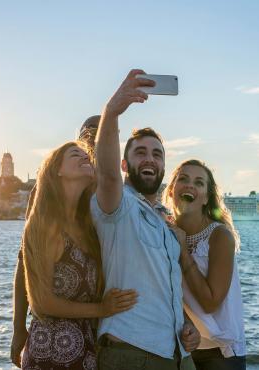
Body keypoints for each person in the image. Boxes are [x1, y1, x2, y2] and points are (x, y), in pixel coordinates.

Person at [91, 69, 199, 370]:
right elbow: (108, 175)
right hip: (132, 353)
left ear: (164, 166)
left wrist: (187, 326)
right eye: (140, 153)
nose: (150, 159)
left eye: (157, 154)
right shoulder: (117, 206)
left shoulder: (164, 224)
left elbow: (163, 288)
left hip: (177, 354)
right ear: (125, 164)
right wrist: (111, 112)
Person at [21, 141, 137, 369]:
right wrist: (102, 309)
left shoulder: (88, 226)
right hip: (50, 352)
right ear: (57, 170)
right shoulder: (45, 224)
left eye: (88, 156)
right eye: (76, 154)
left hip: (86, 350)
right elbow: (41, 302)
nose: (86, 158)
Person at [10, 116, 101, 367]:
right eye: (88, 135)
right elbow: (25, 263)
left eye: (103, 134)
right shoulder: (44, 202)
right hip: (54, 337)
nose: (93, 142)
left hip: (93, 339)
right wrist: (18, 328)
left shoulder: (111, 195)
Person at [163, 159, 246, 370]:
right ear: (171, 191)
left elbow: (210, 303)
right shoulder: (163, 232)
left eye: (199, 182)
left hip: (220, 353)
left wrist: (182, 251)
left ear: (206, 198)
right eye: (183, 179)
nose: (190, 185)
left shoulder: (219, 236)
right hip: (180, 347)